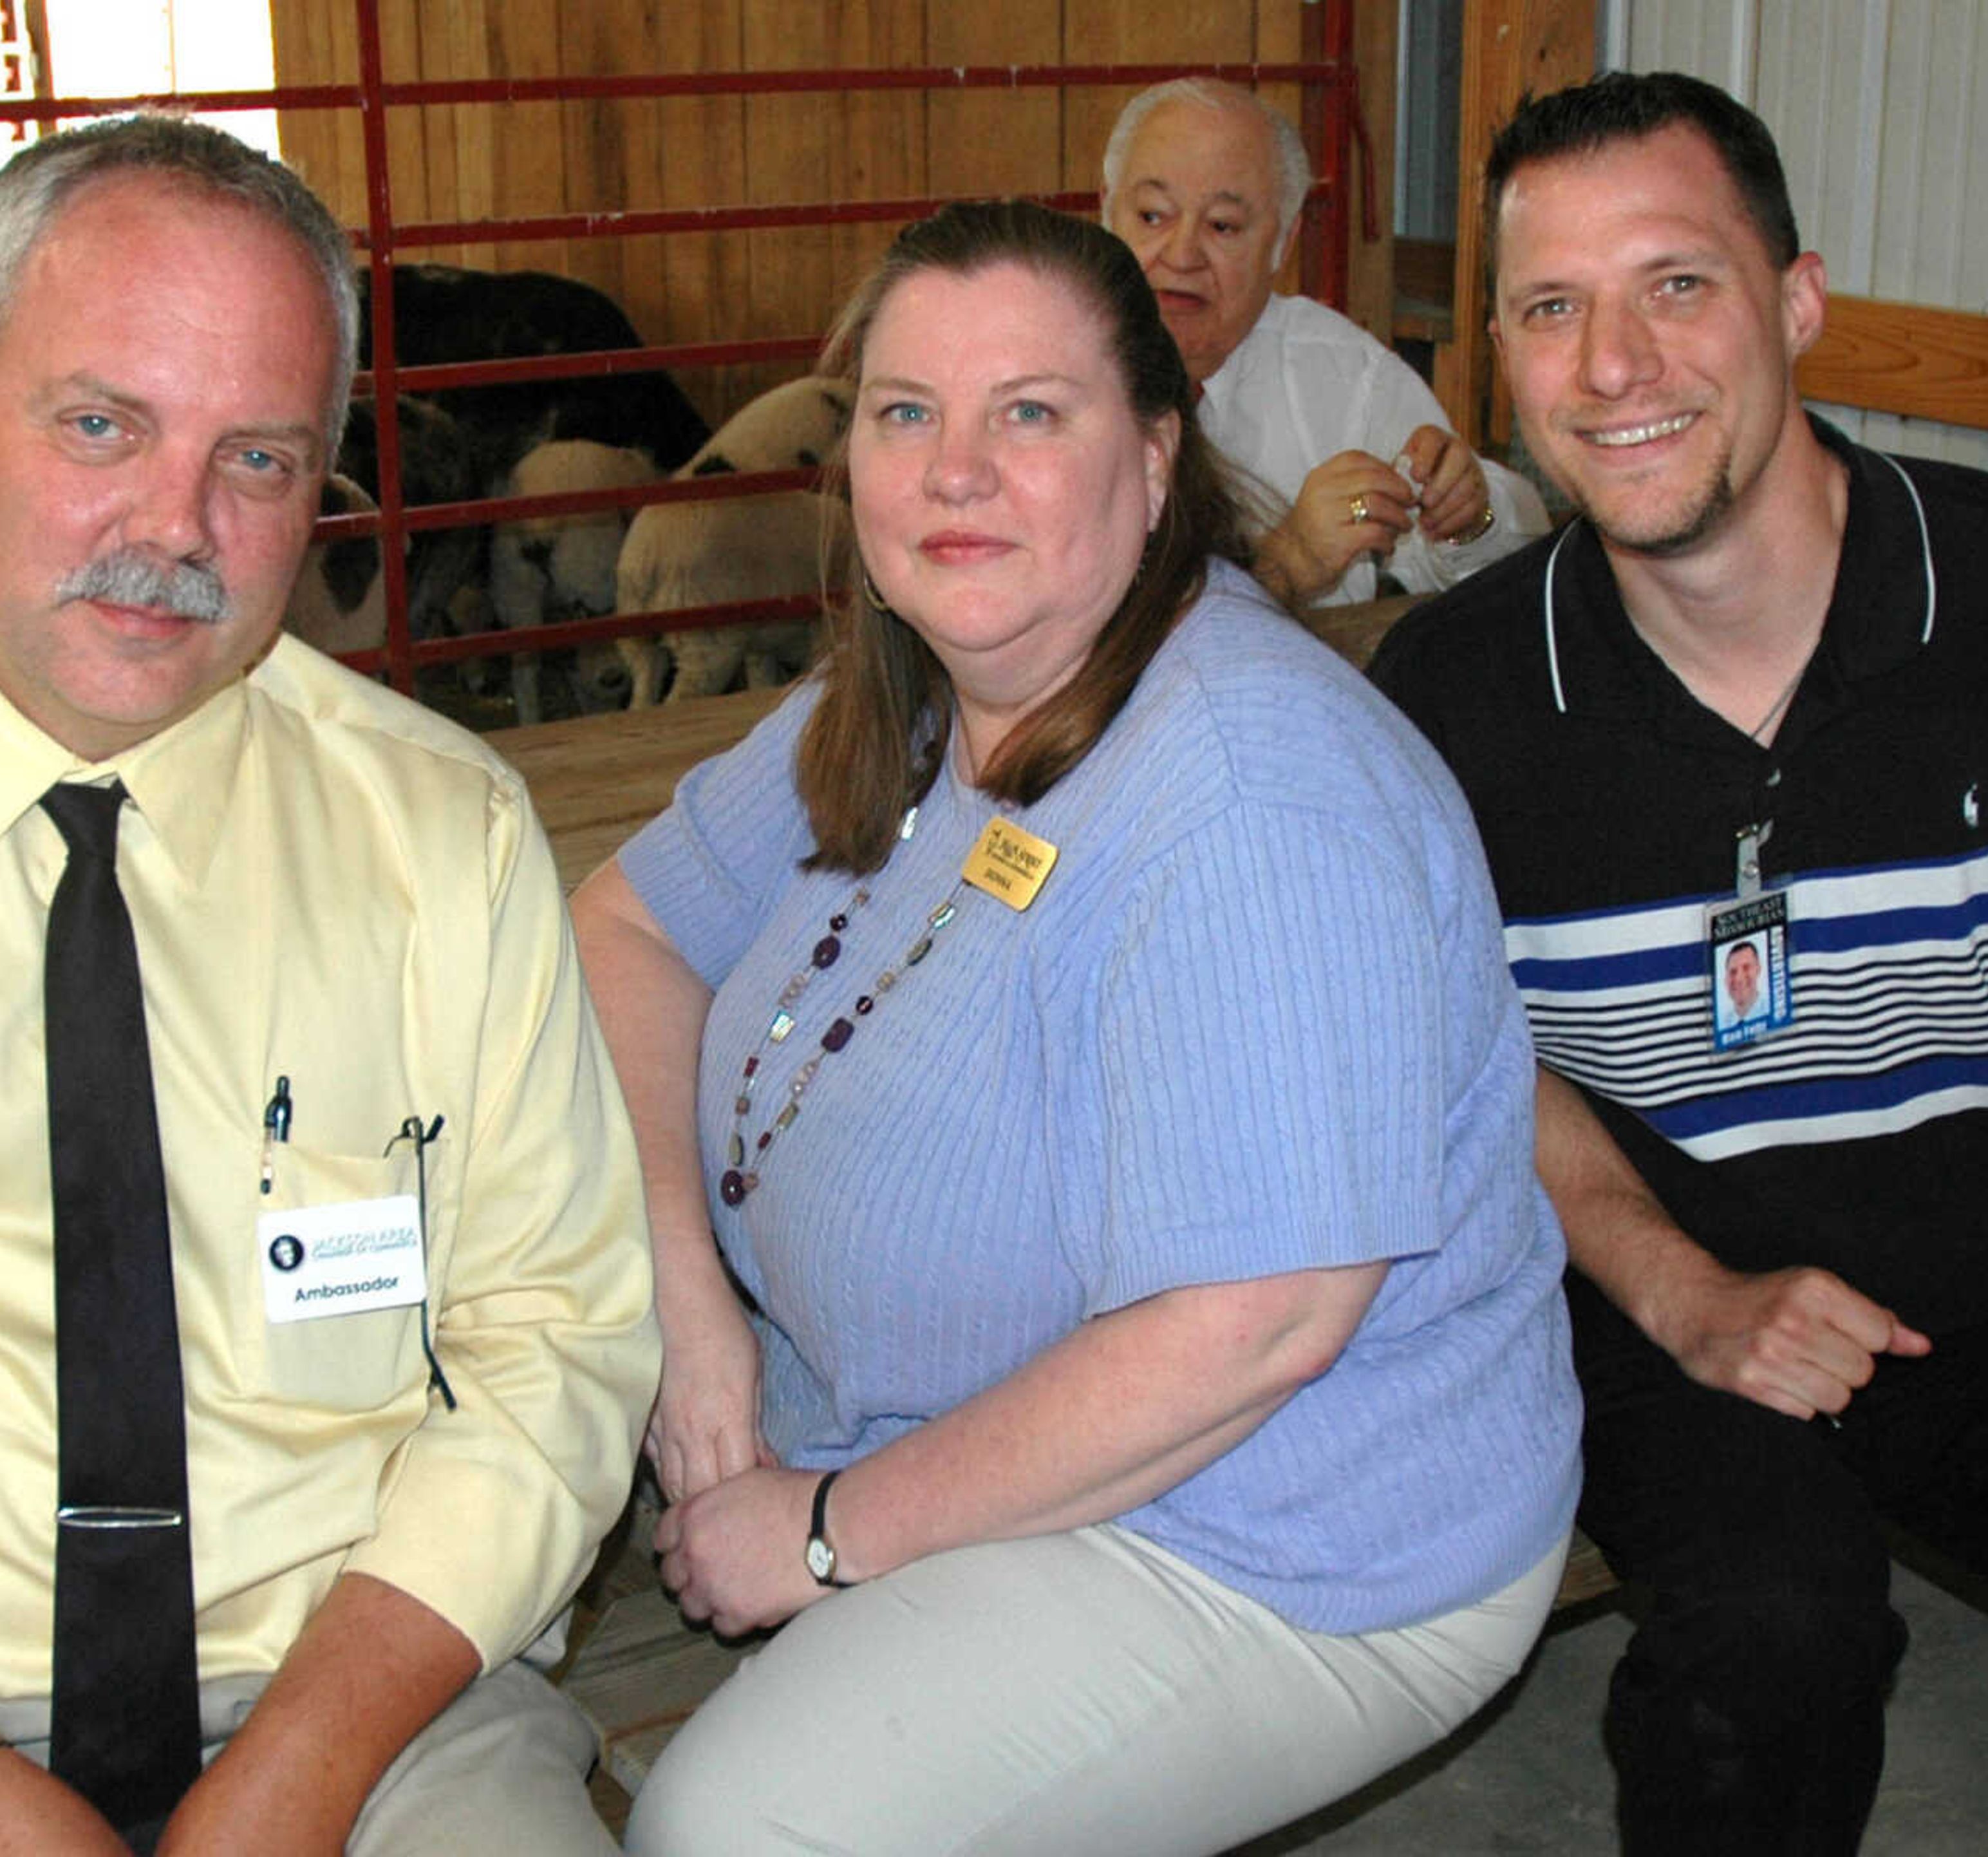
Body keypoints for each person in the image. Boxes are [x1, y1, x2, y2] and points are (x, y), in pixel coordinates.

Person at [0, 117, 658, 1855]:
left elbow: (552, 1348)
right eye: (102, 423)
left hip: (365, 1694)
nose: (172, 525)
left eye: (256, 460)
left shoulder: (445, 836)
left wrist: (300, 1774)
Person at [570, 198, 1580, 1857]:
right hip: (901, 1424)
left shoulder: (1248, 799)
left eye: (1027, 413)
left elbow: (1250, 1328)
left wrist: (821, 1534)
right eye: (907, 414)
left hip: (1264, 1524)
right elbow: (624, 929)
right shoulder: (909, 688)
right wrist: (695, 1316)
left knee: (740, 1832)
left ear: (1158, 458)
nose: (952, 470)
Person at [1368, 70, 1988, 1855]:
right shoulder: (1451, 705)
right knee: (1766, 1646)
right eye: (1555, 308)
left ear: (1796, 303)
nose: (1615, 364)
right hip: (1674, 1289)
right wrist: (1679, 1290)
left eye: (1677, 283)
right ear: (1501, 359)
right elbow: (1469, 1054)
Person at [1102, 77, 1548, 612]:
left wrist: (1467, 516)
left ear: (1283, 243)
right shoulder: (1035, 368)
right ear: (1106, 212)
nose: (1182, 254)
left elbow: (1510, 569)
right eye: (1152, 216)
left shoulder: (1345, 376)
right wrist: (1287, 565)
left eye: (1222, 226)